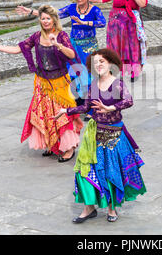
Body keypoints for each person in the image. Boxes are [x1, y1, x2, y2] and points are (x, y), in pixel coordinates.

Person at [54, 48, 146, 223]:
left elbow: (128, 101)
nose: (98, 65)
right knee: (84, 170)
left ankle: (112, 208)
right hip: (94, 134)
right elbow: (85, 108)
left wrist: (110, 107)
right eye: (95, 63)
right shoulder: (92, 85)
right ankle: (89, 208)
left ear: (110, 63)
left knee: (111, 172)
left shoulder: (117, 83)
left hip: (114, 136)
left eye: (101, 61)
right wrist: (65, 110)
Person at [0, 5, 83, 162]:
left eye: (48, 18)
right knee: (45, 114)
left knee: (62, 115)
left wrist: (57, 44)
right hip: (42, 83)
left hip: (59, 83)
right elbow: (18, 49)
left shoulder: (62, 35)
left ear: (54, 20)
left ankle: (69, 149)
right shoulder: (37, 36)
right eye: (42, 18)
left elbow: (71, 54)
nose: (45, 21)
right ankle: (51, 144)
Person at [17, 0, 107, 116]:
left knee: (90, 75)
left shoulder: (94, 10)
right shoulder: (71, 8)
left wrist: (85, 23)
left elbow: (102, 22)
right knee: (74, 74)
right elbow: (53, 15)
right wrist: (31, 12)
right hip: (74, 46)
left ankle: (92, 108)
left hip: (89, 47)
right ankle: (79, 104)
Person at [90, 0, 148, 82]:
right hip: (116, 23)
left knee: (133, 47)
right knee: (116, 47)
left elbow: (142, 3)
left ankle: (133, 72)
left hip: (132, 23)